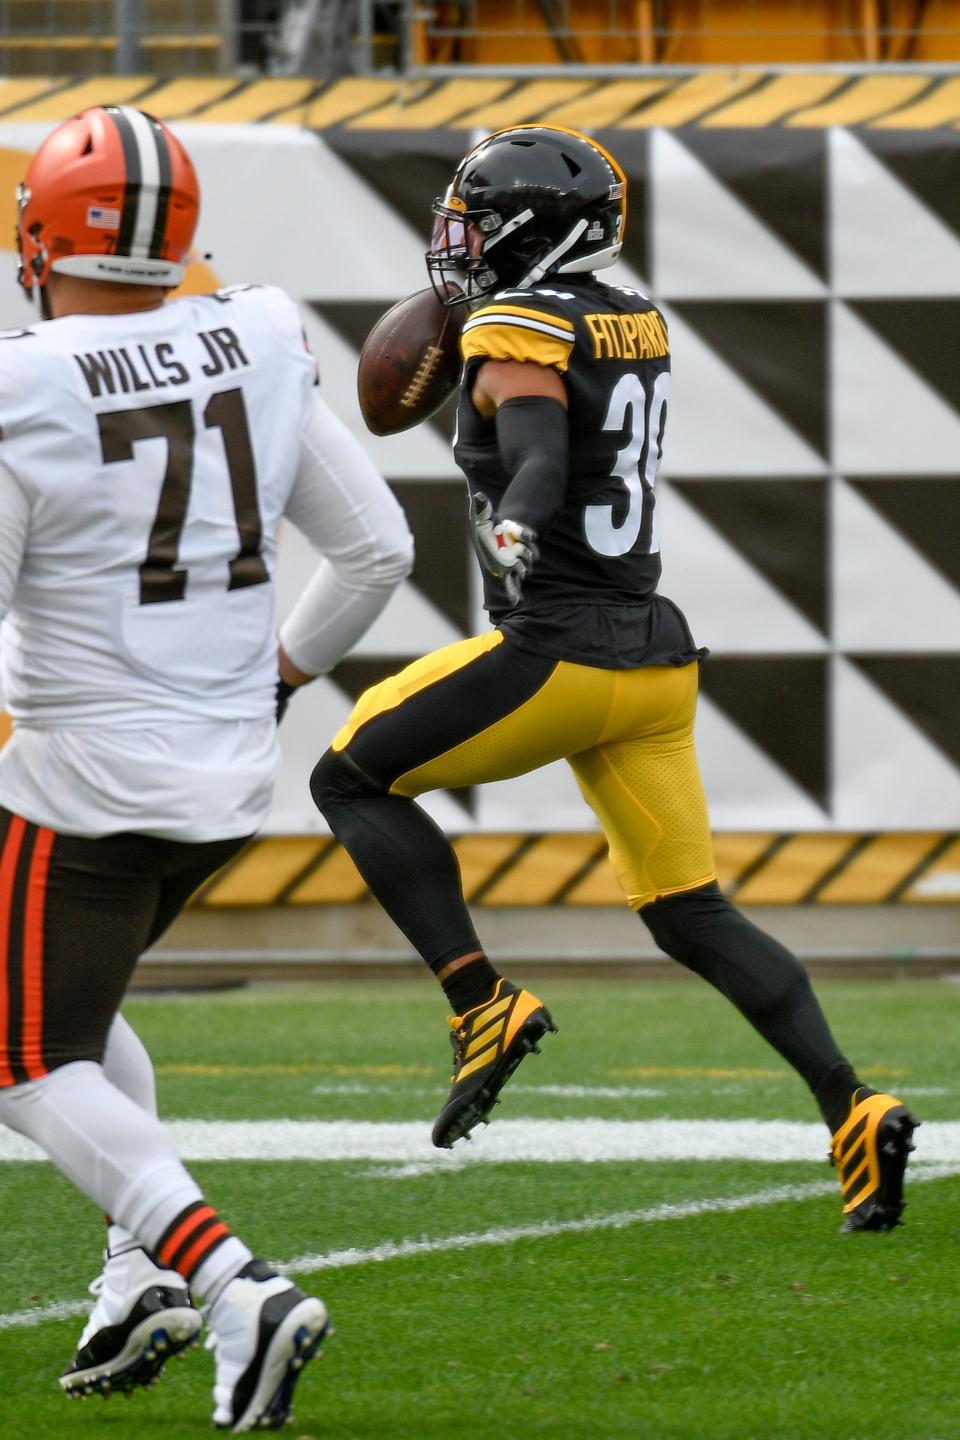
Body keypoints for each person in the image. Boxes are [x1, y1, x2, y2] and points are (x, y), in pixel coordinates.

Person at [311, 123, 918, 1233]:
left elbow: (538, 449)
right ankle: (852, 1104)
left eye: (480, 223)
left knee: (350, 777)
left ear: (532, 230)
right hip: (654, 662)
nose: (460, 243)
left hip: (563, 650)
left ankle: (480, 1003)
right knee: (690, 911)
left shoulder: (515, 321)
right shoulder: (629, 316)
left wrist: (519, 528)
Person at [0, 106, 413, 1430]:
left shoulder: (29, 385)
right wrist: (273, 683)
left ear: (36, 241)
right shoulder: (260, 332)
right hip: (229, 778)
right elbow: (377, 556)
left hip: (85, 776)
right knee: (71, 1009)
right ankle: (136, 1276)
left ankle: (234, 1285)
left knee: (22, 1057)